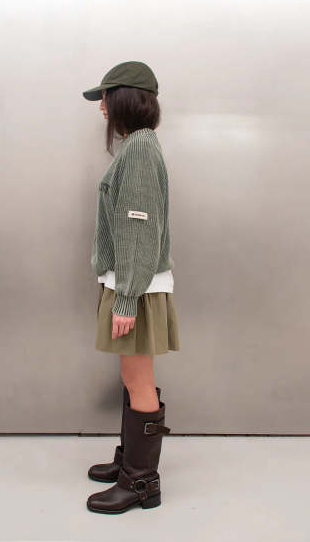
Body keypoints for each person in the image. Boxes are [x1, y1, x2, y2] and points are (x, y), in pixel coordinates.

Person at [82, 61, 181, 514]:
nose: (101, 106)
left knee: (138, 379)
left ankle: (141, 483)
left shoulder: (139, 149)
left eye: (105, 96)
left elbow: (139, 230)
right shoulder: (137, 145)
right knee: (132, 377)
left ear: (124, 98)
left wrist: (126, 297)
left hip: (136, 287)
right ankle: (130, 463)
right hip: (131, 282)